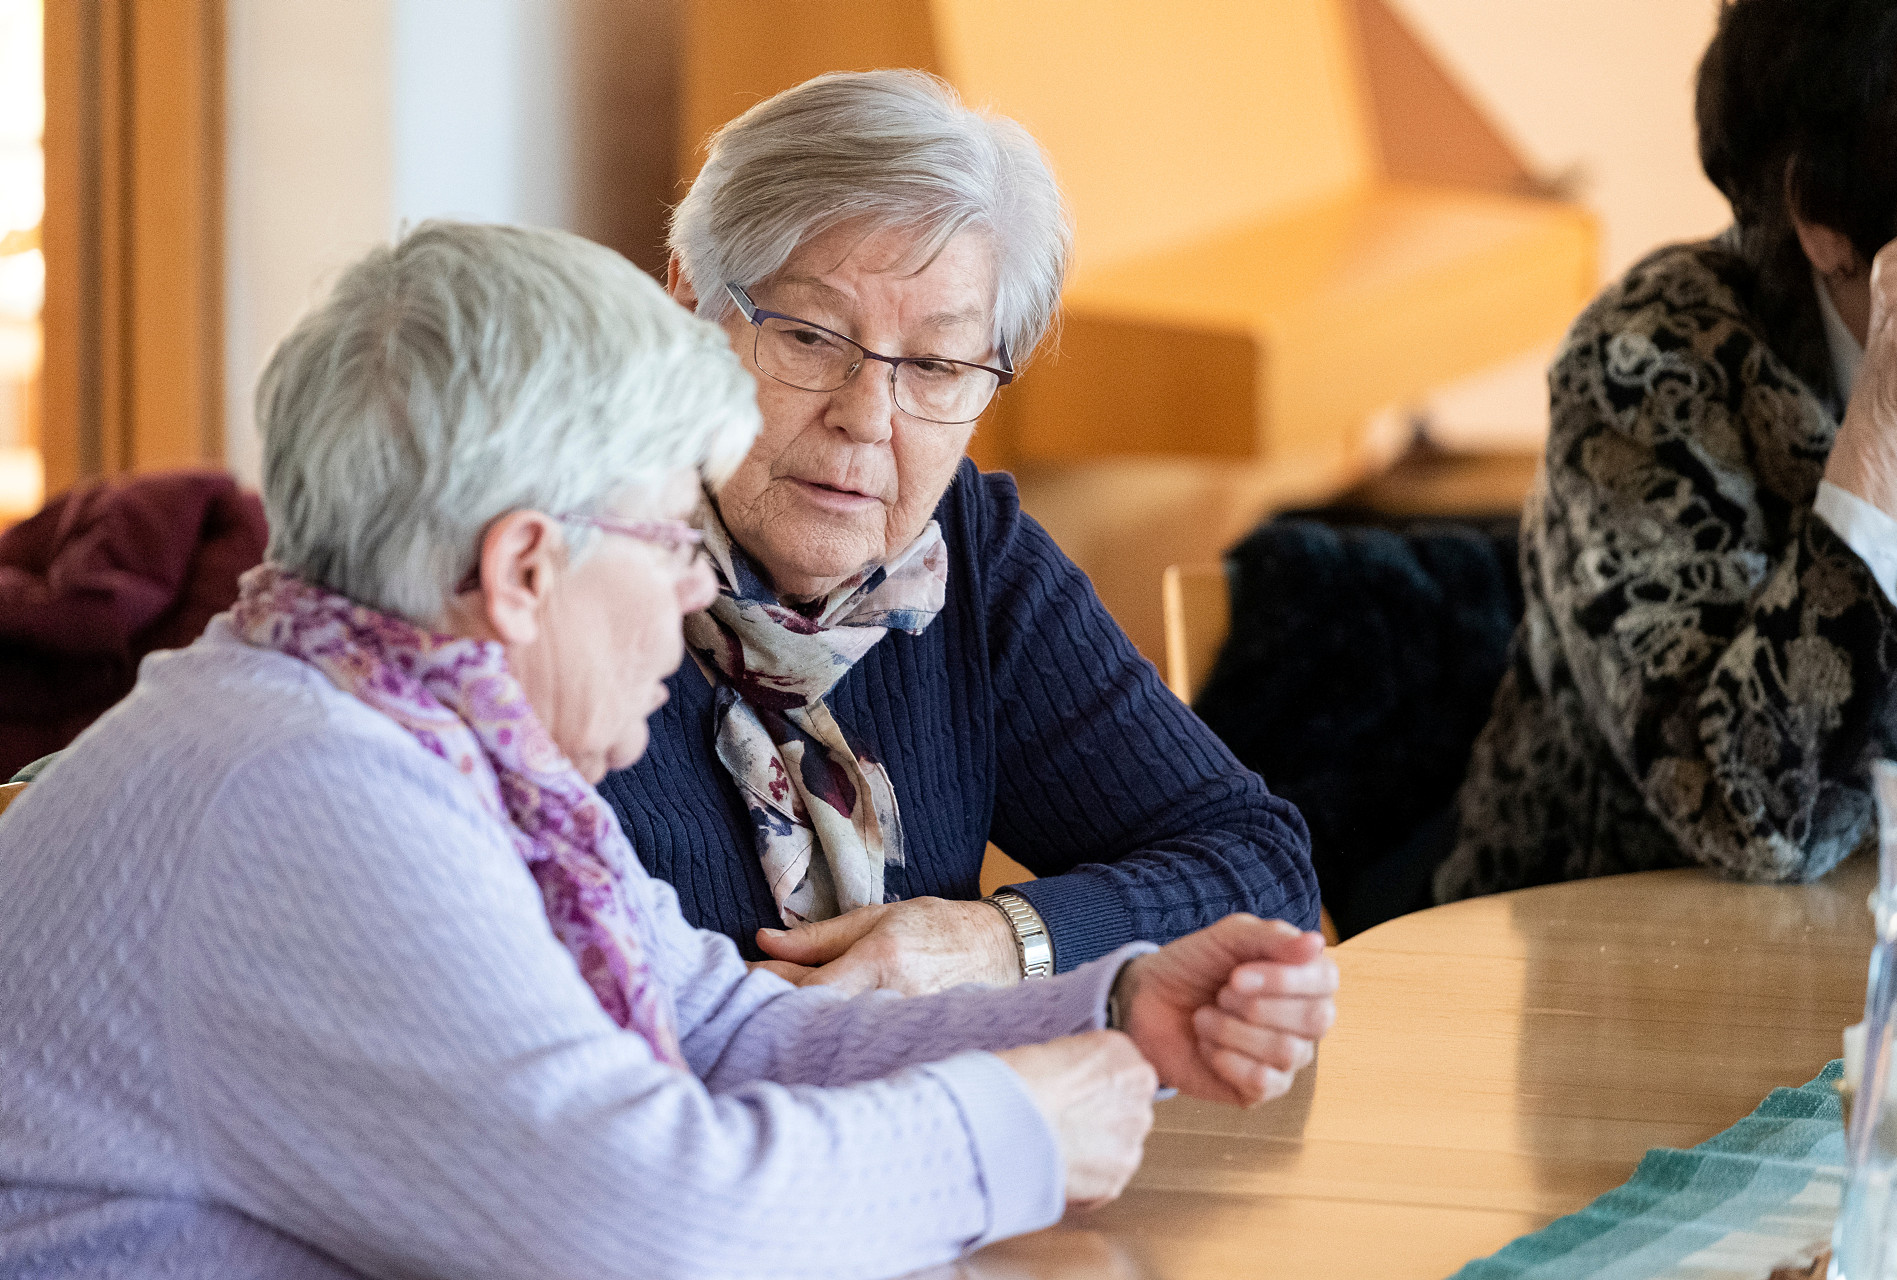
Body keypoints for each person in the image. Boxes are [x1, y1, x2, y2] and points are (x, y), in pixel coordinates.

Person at [0, 222, 1337, 1280]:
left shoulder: (400, 727)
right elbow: (648, 1222)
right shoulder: (304, 789)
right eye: (671, 544)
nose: (700, 594)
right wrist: (1013, 1131)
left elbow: (716, 1024)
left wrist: (1100, 1008)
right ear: (524, 568)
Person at [598, 69, 1318, 996]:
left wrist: (1000, 943)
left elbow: (1261, 870)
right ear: (689, 304)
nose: (869, 417)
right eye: (811, 336)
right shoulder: (561, 569)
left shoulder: (961, 554)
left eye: (936, 365)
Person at [1441, 0, 1897, 900]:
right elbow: (1758, 822)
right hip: (1613, 966)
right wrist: (1893, 415)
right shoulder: (1645, 366)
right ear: (1822, 217)